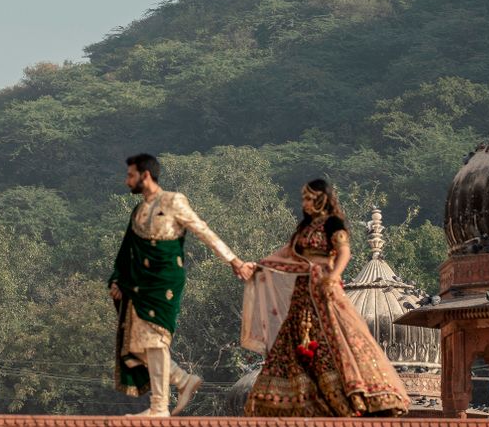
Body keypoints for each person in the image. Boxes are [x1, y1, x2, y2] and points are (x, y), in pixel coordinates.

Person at [241, 179, 410, 417]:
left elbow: (344, 252)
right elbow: (287, 255)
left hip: (325, 290)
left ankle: (356, 396)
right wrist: (258, 266)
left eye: (310, 198)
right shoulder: (304, 229)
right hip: (303, 294)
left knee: (339, 338)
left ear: (322, 199)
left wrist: (334, 277)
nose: (305, 203)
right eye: (304, 198)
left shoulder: (333, 224)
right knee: (296, 340)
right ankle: (299, 402)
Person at [108, 153, 255, 417]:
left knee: (155, 339)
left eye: (130, 175)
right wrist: (117, 278)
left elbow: (203, 230)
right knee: (136, 345)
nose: (126, 180)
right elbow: (127, 250)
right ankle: (182, 380)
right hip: (139, 284)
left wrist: (234, 260)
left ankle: (159, 406)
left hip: (165, 280)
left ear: (146, 175)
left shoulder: (173, 201)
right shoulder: (139, 211)